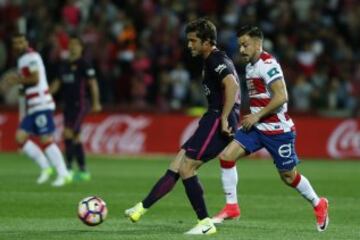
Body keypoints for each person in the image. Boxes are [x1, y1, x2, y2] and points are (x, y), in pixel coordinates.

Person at [125, 18, 241, 235]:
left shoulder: (216, 59)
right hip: (212, 118)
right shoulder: (210, 60)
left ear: (207, 42)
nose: (190, 45)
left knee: (187, 167)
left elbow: (232, 85)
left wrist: (225, 118)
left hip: (217, 119)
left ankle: (205, 223)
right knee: (177, 164)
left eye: (193, 41)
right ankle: (141, 208)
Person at [215, 25, 329, 232]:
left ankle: (318, 203)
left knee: (288, 176)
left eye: (245, 45)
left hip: (278, 129)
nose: (241, 49)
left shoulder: (267, 64)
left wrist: (257, 115)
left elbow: (282, 96)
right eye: (240, 45)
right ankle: (232, 207)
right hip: (257, 128)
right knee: (226, 157)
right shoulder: (250, 66)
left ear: (258, 43)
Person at [3, 33, 71, 187]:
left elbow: (35, 78)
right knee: (20, 138)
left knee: (45, 139)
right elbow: (29, 81)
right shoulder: (22, 59)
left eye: (21, 42)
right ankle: (46, 168)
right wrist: (22, 88)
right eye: (16, 43)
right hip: (33, 105)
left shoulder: (31, 57)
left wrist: (15, 80)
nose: (19, 45)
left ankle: (63, 173)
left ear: (26, 42)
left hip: (41, 104)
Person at [50, 36, 102, 181]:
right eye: (71, 44)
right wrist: (45, 94)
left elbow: (93, 83)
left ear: (81, 48)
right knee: (76, 137)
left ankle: (67, 168)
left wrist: (96, 102)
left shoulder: (84, 65)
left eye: (76, 45)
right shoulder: (65, 64)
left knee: (67, 133)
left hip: (80, 105)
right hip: (67, 105)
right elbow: (57, 83)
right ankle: (83, 171)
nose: (73, 47)